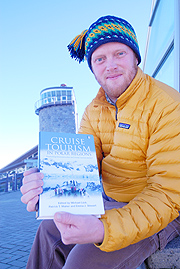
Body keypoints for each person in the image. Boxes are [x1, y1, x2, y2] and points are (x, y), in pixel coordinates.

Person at [20, 15, 180, 269]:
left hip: (163, 209)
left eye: (119, 54)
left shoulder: (167, 105)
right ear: (92, 68)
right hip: (109, 202)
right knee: (48, 232)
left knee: (81, 263)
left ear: (135, 58)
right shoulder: (92, 111)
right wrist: (48, 188)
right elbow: (82, 170)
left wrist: (103, 230)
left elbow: (166, 194)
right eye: (100, 59)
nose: (111, 65)